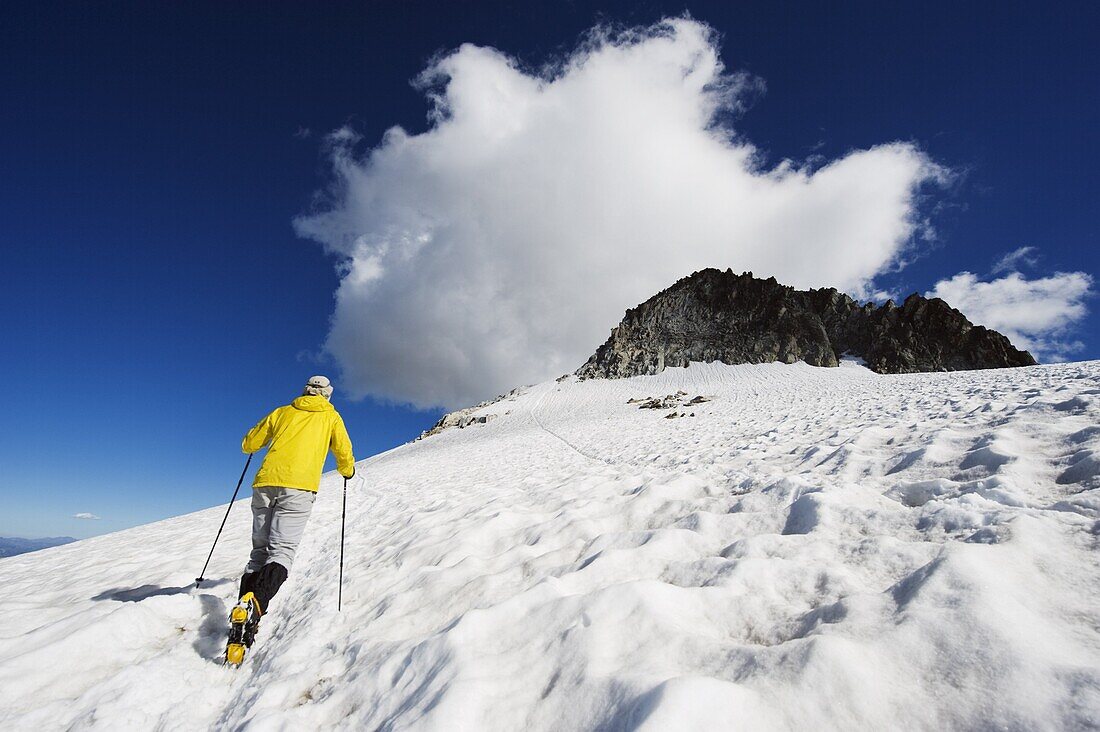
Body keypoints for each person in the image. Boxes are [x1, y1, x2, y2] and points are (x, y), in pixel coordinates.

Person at [226, 375, 355, 664]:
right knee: (282, 551)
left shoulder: (283, 412)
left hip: (265, 483)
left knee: (259, 552)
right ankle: (255, 605)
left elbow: (250, 442)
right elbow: (343, 451)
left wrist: (251, 444)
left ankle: (244, 606)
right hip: (299, 487)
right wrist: (348, 471)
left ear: (305, 390)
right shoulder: (331, 418)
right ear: (327, 395)